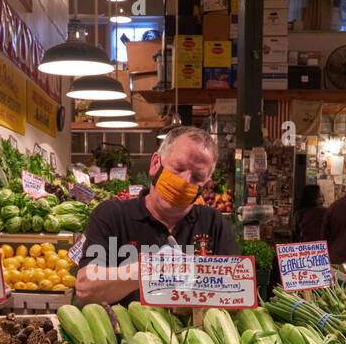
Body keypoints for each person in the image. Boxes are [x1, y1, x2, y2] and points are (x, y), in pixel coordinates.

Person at [76, 125, 238, 305]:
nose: (184, 182)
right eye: (178, 168)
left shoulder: (214, 223)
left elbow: (236, 290)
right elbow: (86, 288)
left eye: (197, 177)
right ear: (155, 164)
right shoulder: (111, 215)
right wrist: (150, 269)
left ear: (205, 184)